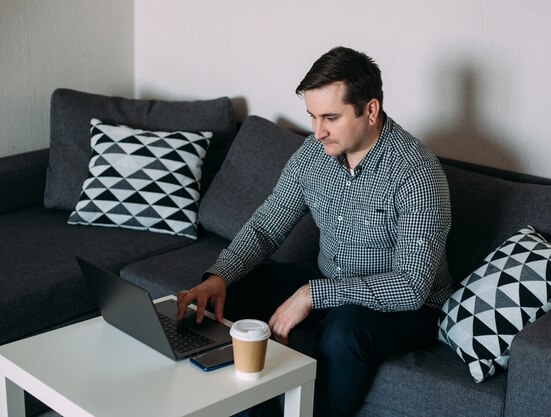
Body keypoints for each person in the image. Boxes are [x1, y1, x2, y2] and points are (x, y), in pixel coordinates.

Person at [177, 46, 452, 417]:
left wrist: (311, 295)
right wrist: (218, 276)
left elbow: (411, 286)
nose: (318, 131)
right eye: (312, 116)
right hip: (331, 277)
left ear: (370, 110)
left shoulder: (416, 173)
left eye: (330, 118)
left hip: (406, 307)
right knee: (231, 294)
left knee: (343, 332)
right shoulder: (313, 154)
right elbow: (265, 226)